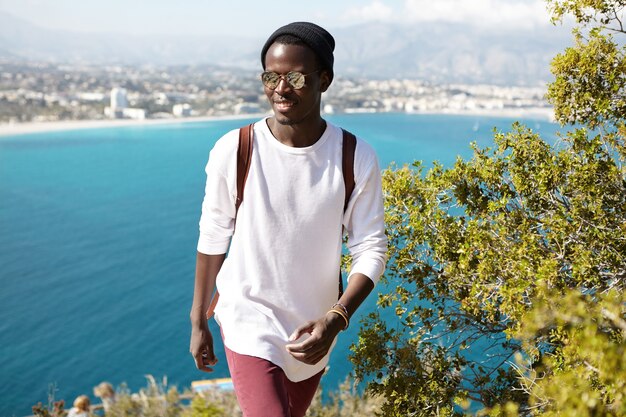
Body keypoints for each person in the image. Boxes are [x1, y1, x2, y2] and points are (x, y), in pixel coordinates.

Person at [189, 21, 387, 417]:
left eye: (295, 77)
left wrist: (336, 317)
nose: (281, 88)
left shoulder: (354, 156)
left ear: (323, 80)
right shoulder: (236, 149)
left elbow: (371, 247)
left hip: (314, 329)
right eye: (271, 77)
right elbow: (214, 235)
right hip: (248, 319)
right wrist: (198, 320)